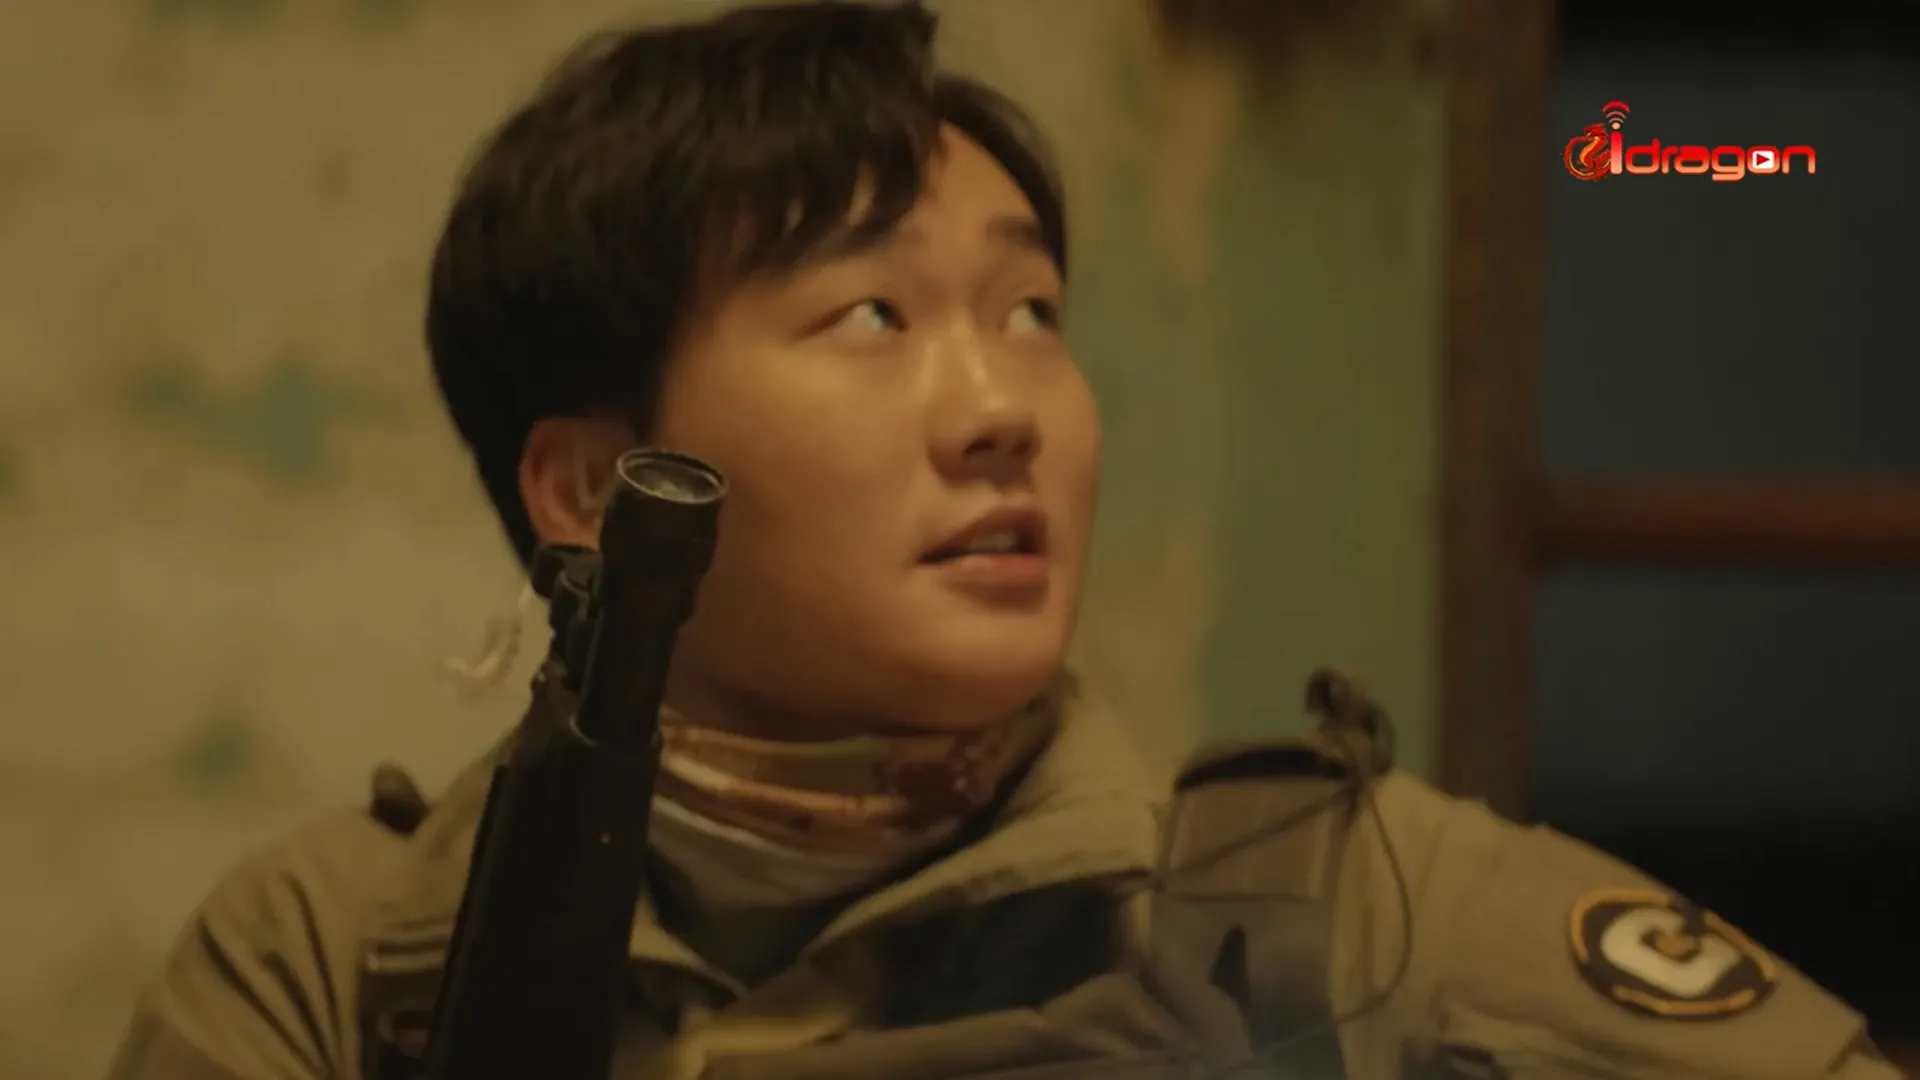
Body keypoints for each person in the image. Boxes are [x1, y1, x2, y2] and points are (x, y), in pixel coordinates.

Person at [106, 3, 1905, 1079]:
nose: (1003, 406)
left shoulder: (1335, 916)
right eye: (872, 318)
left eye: (1032, 310)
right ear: (591, 492)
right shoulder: (350, 965)